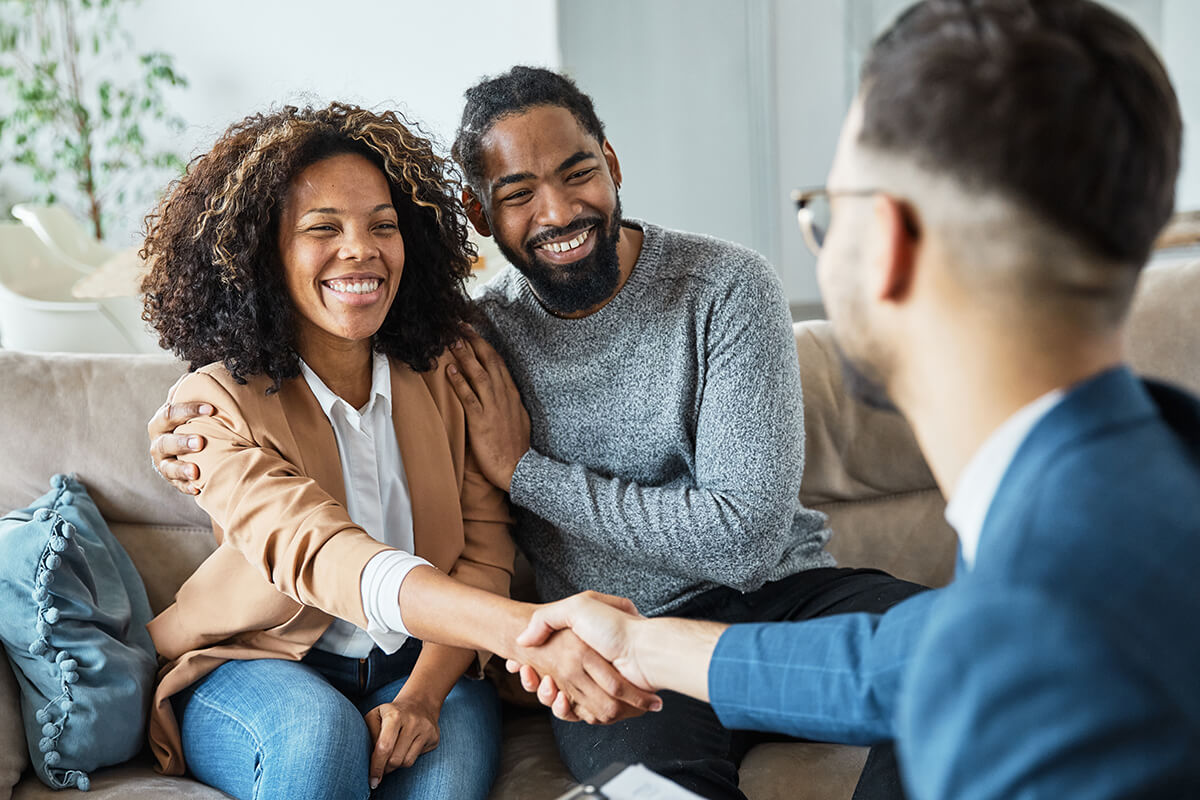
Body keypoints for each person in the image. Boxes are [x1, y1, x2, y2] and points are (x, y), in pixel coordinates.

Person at [151, 68, 926, 798]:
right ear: (478, 213)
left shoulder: (722, 288)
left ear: (611, 164)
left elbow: (744, 541)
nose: (556, 213)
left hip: (778, 603)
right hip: (610, 644)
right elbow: (317, 532)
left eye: (576, 173)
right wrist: (186, 427)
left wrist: (525, 472)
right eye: (518, 193)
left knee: (954, 654)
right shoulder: (474, 340)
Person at [512, 0, 1200, 796]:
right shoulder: (1133, 476)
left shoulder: (1045, 626)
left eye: (828, 212)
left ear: (886, 244)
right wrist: (639, 645)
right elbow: (904, 659)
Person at [139, 102, 657, 800]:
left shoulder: (450, 371)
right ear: (265, 253)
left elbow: (484, 555)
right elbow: (318, 550)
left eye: (383, 225)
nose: (361, 249)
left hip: (427, 661)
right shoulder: (211, 405)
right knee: (320, 738)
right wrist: (531, 630)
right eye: (323, 228)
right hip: (260, 662)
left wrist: (421, 696)